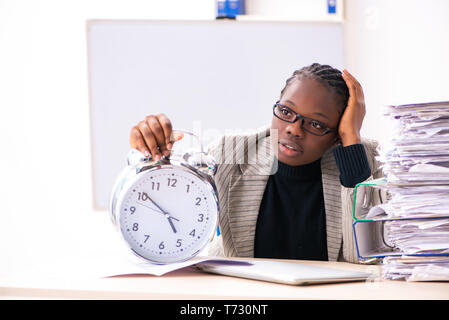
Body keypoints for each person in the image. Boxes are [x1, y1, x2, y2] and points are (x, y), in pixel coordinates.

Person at [129, 63, 383, 263]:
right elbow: (155, 203)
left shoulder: (367, 161)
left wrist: (351, 140)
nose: (294, 129)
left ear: (336, 135)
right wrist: (147, 153)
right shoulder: (231, 152)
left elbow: (366, 259)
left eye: (316, 124)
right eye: (286, 112)